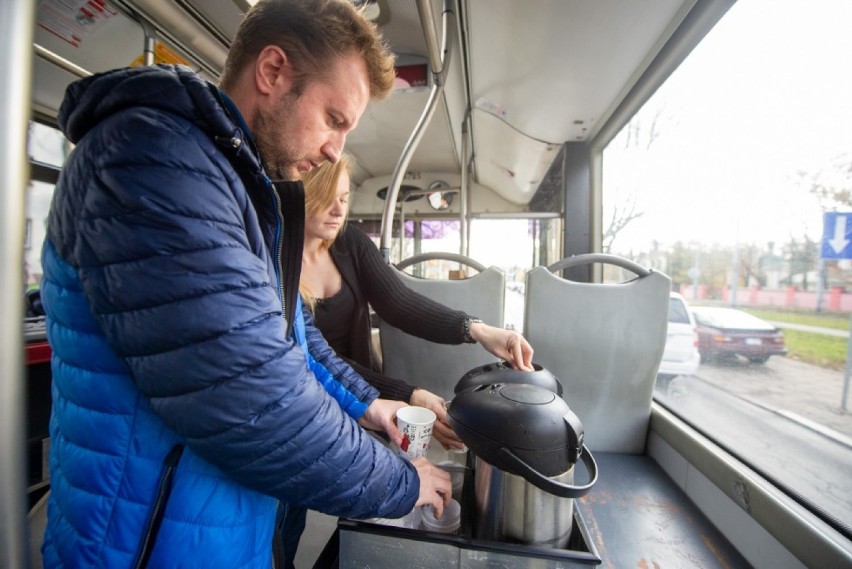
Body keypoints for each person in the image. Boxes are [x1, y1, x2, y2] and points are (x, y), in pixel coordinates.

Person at [39, 1, 450, 567]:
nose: (336, 149)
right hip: (142, 544)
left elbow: (291, 336)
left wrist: (368, 405)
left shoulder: (242, 190)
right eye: (334, 118)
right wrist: (400, 481)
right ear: (273, 71)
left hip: (222, 532)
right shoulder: (151, 162)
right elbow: (256, 397)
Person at [300, 157, 536, 448]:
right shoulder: (276, 262)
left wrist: (478, 330)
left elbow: (399, 304)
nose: (338, 211)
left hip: (365, 397)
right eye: (326, 199)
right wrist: (409, 395)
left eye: (344, 199)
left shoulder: (349, 243)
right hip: (310, 404)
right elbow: (316, 358)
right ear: (300, 195)